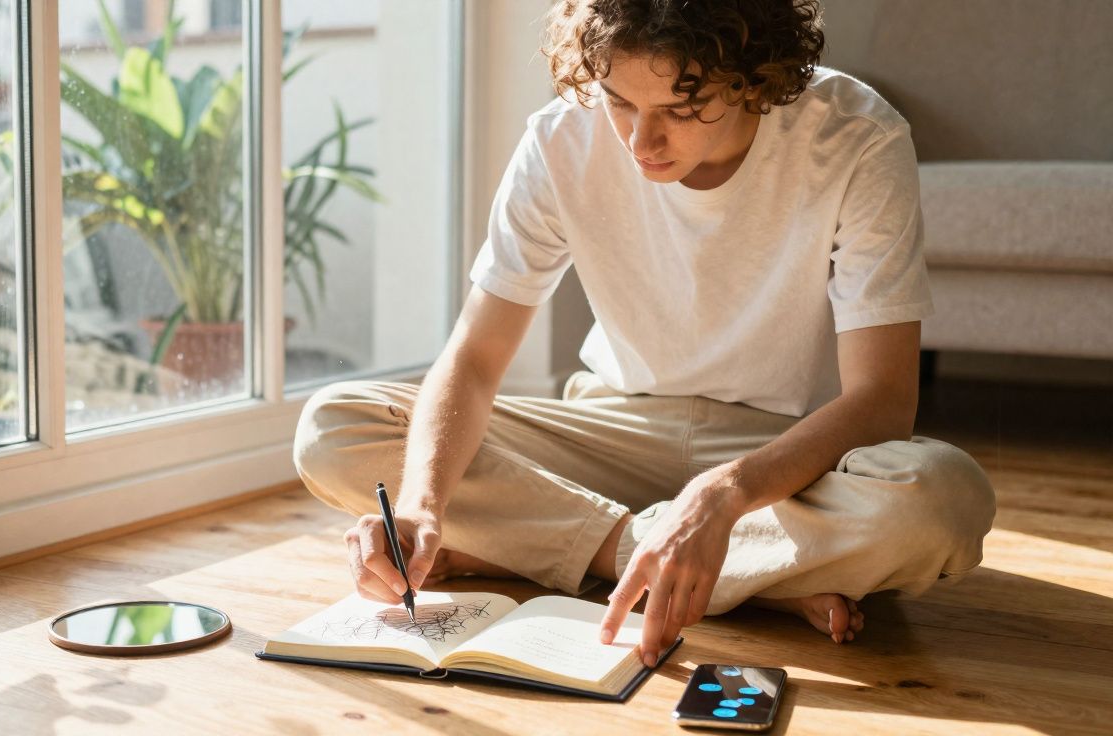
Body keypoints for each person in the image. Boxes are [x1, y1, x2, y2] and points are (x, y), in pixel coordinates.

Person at [292, 0, 996, 667]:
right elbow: (474, 358)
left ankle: (579, 547)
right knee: (335, 427)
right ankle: (730, 571)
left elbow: (882, 400)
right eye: (619, 101)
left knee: (941, 498)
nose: (639, 140)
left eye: (681, 110)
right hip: (612, 429)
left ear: (758, 78)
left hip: (781, 455)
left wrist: (723, 497)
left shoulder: (857, 138)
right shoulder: (560, 138)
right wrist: (420, 507)